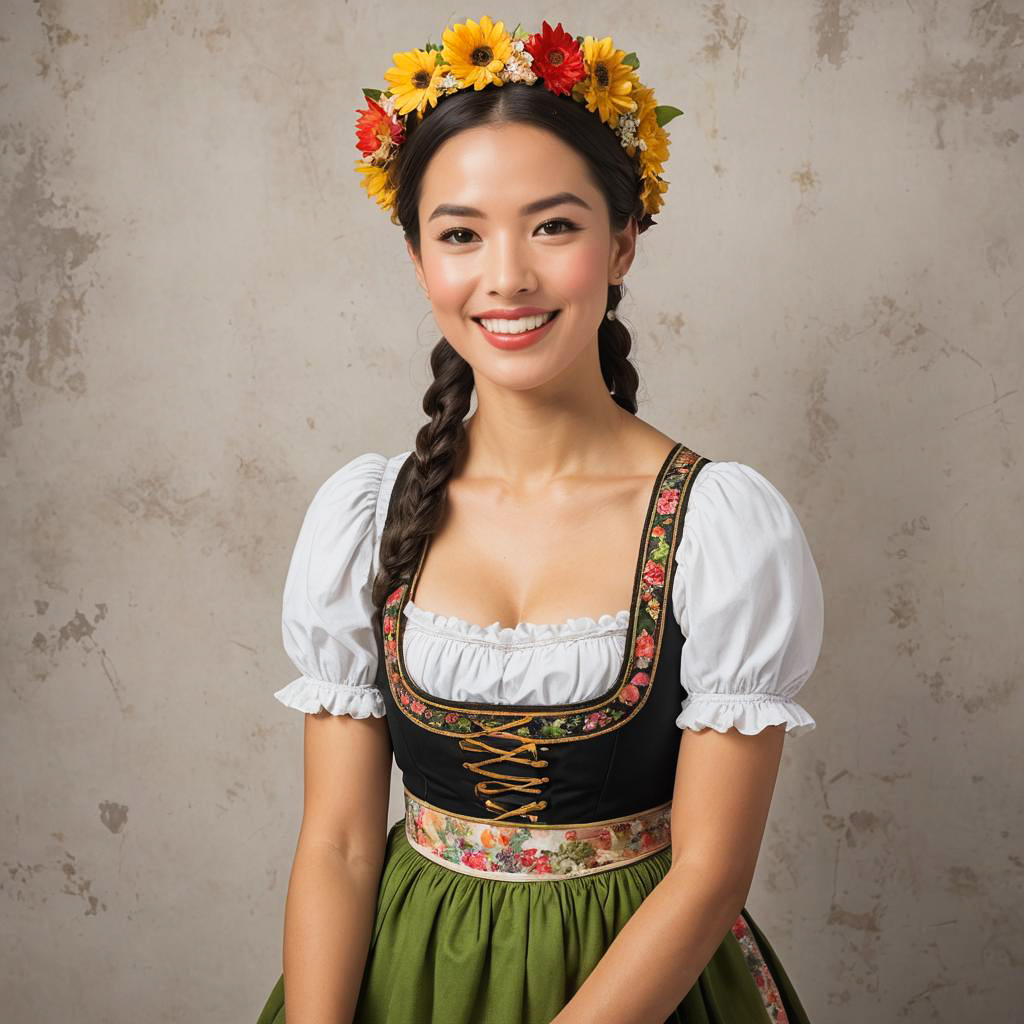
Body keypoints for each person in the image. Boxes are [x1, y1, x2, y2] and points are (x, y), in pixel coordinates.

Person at [257, 16, 824, 1024]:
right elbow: (341, 843)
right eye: (460, 232)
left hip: (642, 988)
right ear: (418, 256)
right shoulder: (366, 517)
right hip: (405, 975)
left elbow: (705, 875)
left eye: (553, 225)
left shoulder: (717, 527)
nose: (506, 276)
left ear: (623, 243)